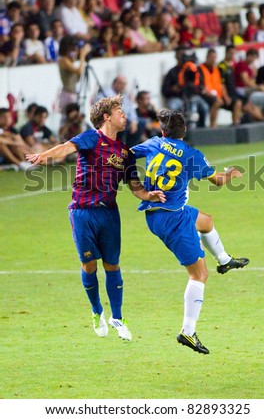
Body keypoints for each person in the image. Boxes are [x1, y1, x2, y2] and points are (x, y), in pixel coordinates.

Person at [26, 95, 165, 341]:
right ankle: (96, 311)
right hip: (82, 212)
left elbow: (135, 187)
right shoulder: (92, 137)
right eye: (119, 110)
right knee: (89, 266)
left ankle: (118, 318)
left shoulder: (125, 153)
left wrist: (150, 195)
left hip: (109, 213)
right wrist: (44, 155)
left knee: (112, 265)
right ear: (106, 117)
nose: (124, 114)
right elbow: (66, 148)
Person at [131, 109, 249, 354]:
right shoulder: (190, 155)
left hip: (160, 212)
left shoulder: (154, 142)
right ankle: (188, 330)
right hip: (172, 219)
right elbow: (217, 181)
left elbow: (127, 154)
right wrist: (230, 174)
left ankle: (225, 261)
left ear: (163, 131)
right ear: (185, 131)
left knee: (206, 221)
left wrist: (133, 180)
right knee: (199, 275)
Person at [58, 36, 91, 119]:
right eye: (73, 49)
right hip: (67, 95)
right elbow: (79, 71)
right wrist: (82, 56)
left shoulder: (70, 61)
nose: (75, 52)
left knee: (75, 120)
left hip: (72, 93)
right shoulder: (63, 60)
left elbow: (77, 78)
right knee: (69, 119)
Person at [218, 45, 243, 125]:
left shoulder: (233, 65)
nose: (232, 55)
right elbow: (221, 84)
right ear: (226, 53)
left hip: (234, 92)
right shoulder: (221, 66)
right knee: (237, 103)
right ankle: (236, 124)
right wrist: (226, 96)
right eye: (230, 53)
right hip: (227, 94)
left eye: (234, 53)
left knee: (248, 104)